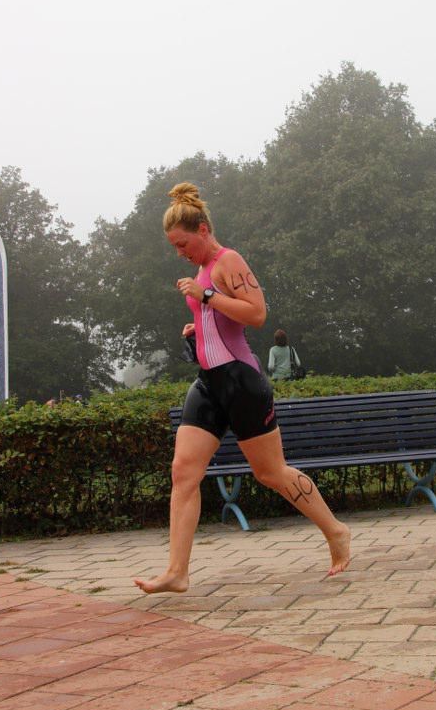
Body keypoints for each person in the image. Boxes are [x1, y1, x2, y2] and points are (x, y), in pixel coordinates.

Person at [134, 182, 350, 595]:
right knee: (183, 472)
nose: (180, 253)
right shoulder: (200, 271)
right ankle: (177, 571)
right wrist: (196, 327)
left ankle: (335, 530)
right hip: (208, 383)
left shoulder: (228, 261)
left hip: (242, 382)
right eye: (175, 247)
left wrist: (208, 297)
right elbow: (219, 323)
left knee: (270, 472)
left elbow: (257, 315)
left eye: (182, 244)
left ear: (202, 229)